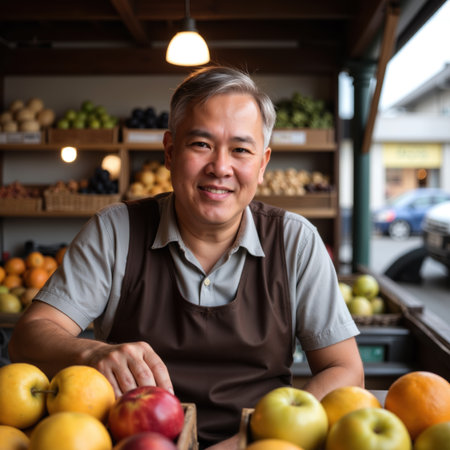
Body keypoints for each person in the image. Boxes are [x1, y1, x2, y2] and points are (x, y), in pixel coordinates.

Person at [9, 66, 364, 449]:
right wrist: (91, 351)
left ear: (262, 164)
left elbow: (345, 368)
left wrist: (274, 432)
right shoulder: (116, 231)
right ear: (170, 151)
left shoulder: (295, 240)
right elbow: (27, 338)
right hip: (136, 440)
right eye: (201, 145)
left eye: (241, 150)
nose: (220, 168)